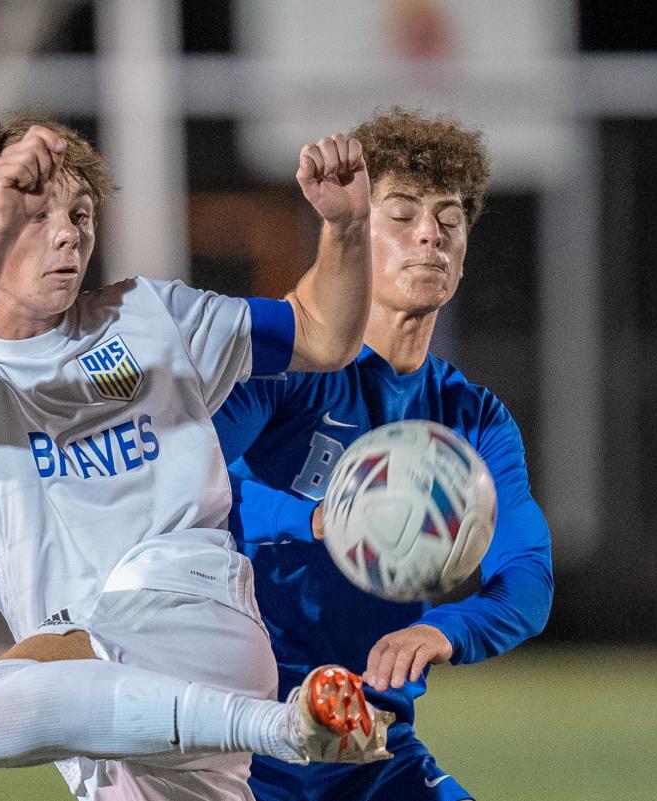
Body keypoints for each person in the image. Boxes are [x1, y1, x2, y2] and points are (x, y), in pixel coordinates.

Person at [0, 112, 394, 801]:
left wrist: (347, 231)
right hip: (103, 690)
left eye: (80, 213)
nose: (66, 234)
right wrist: (0, 226)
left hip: (193, 611)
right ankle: (285, 725)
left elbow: (322, 333)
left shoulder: (149, 318)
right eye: (34, 214)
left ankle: (289, 728)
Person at [213, 107, 554, 801]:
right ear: (353, 235)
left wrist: (443, 627)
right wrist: (311, 518)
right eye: (401, 214)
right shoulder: (281, 371)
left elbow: (527, 577)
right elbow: (178, 486)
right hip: (236, 736)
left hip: (370, 740)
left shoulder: (472, 419)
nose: (430, 233)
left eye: (450, 220)